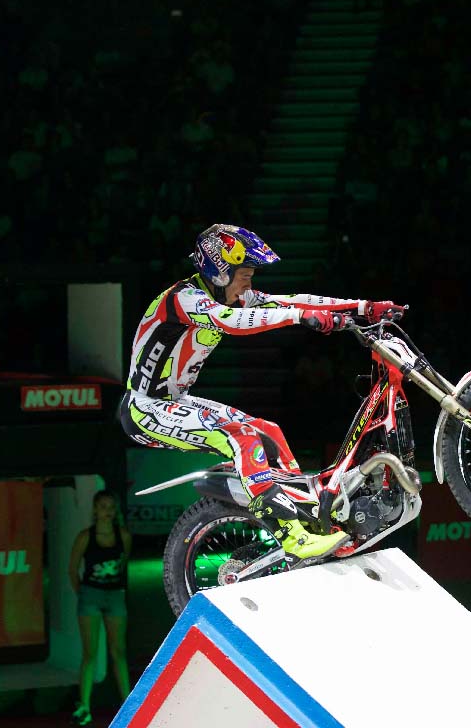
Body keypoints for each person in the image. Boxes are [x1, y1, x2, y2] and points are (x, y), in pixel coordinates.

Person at [118, 224, 402, 562]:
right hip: (146, 408)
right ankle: (289, 534)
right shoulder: (184, 299)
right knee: (242, 438)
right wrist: (300, 318)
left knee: (268, 431)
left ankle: (310, 520)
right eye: (244, 275)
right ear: (219, 271)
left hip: (174, 399)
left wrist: (363, 308)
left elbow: (290, 300)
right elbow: (233, 322)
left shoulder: (228, 295)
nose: (248, 284)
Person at [68, 490, 133, 726]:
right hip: (91, 597)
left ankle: (128, 704)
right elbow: (72, 569)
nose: (108, 510)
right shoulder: (85, 536)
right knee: (90, 653)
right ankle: (84, 706)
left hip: (114, 596)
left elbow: (123, 563)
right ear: (95, 510)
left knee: (119, 651)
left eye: (111, 506)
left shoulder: (123, 535)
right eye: (103, 506)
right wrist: (85, 594)